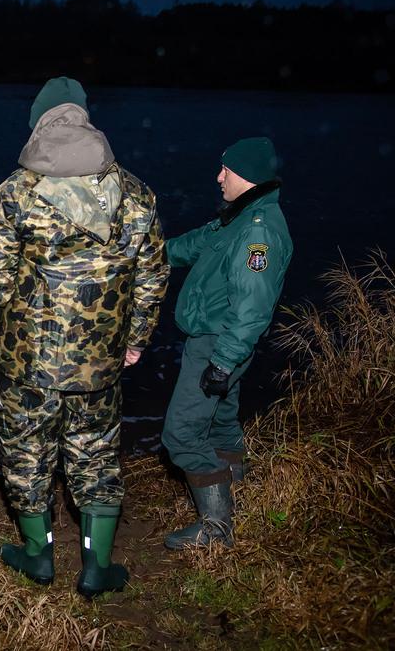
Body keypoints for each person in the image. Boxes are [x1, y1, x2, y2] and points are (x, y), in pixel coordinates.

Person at [0, 77, 169, 597]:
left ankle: (38, 555)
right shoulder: (136, 193)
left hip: (27, 363)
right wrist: (136, 338)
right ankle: (97, 567)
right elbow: (152, 277)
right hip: (100, 363)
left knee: (26, 455)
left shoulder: (15, 194)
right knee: (95, 456)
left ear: (40, 122)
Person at [161, 137, 291, 549]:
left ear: (248, 176)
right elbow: (193, 245)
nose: (219, 177)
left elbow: (253, 306)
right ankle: (239, 497)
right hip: (218, 341)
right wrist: (145, 253)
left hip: (220, 344)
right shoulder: (238, 217)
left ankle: (216, 529)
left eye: (227, 171)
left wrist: (222, 362)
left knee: (181, 433)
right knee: (220, 421)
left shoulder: (258, 232)